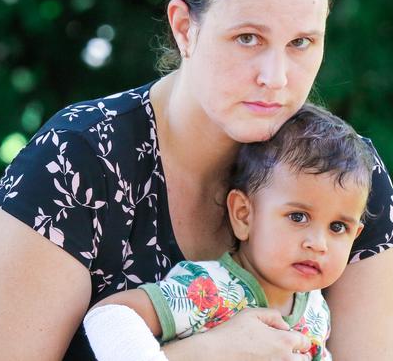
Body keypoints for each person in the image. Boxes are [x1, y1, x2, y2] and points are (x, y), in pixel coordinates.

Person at [0, 0, 393, 360]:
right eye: (248, 38)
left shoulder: (345, 176)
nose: (276, 77)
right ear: (185, 27)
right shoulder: (78, 161)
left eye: (301, 43)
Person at [83, 104, 373, 361]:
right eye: (298, 216)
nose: (318, 244)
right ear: (244, 215)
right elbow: (110, 316)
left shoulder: (315, 310)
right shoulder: (208, 288)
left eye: (338, 227)